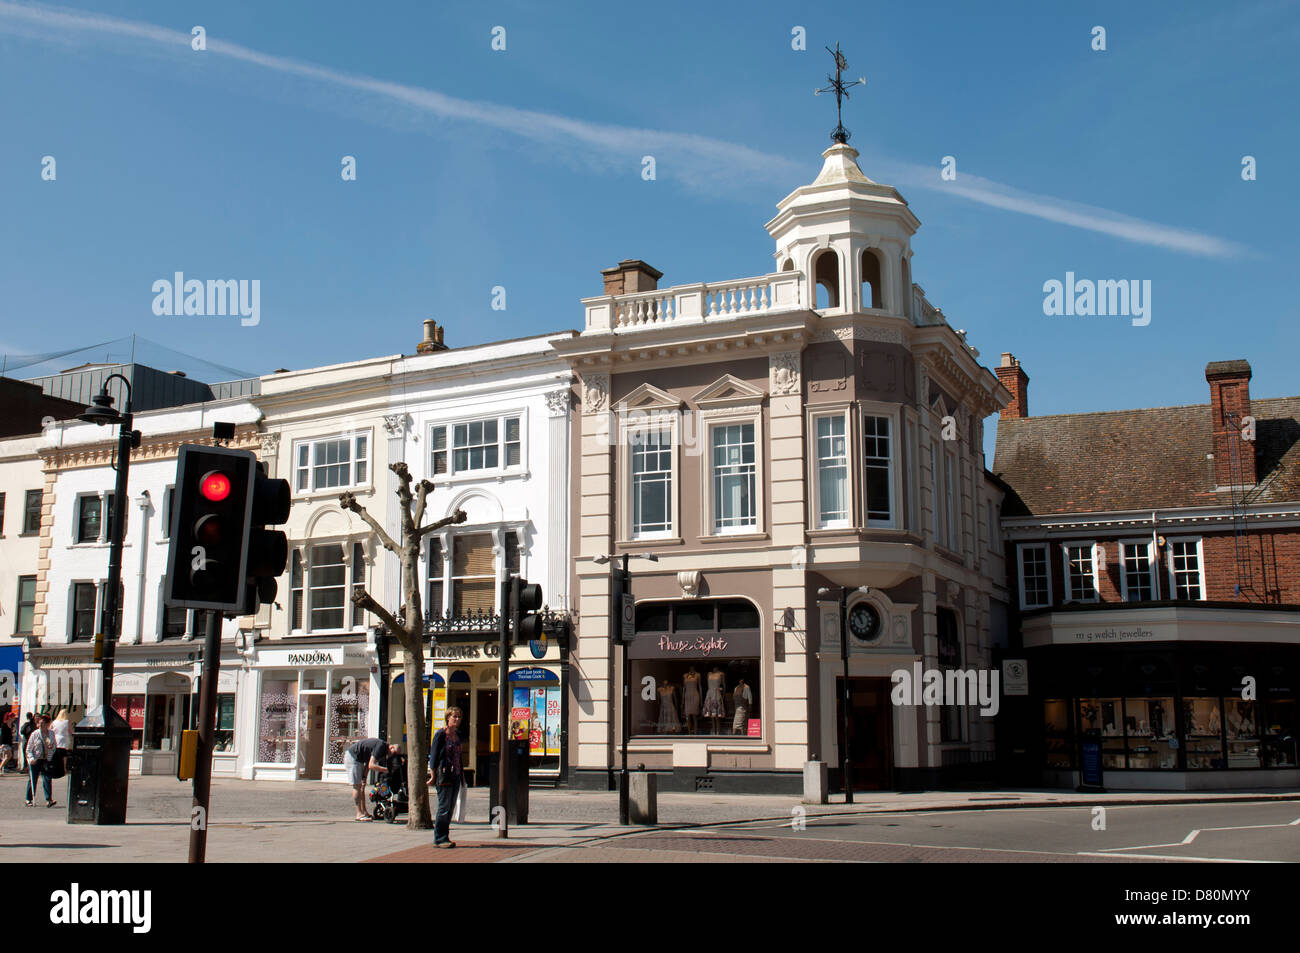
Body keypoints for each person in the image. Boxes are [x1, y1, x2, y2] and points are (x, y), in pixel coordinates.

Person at [427, 707, 464, 848]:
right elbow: (434, 755)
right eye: (454, 716)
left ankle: (445, 836)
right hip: (444, 774)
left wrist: (462, 776)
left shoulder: (458, 735)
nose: (457, 719)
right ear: (447, 718)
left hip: (456, 774)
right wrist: (433, 774)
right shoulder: (441, 735)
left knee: (451, 807)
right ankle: (439, 838)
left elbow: (459, 756)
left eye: (459, 716)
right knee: (444, 807)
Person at [344, 737, 399, 821]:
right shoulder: (381, 747)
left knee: (362, 786)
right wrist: (387, 770)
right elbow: (371, 765)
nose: (393, 756)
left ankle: (364, 812)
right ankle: (359, 814)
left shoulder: (383, 750)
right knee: (357, 786)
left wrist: (364, 777)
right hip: (353, 757)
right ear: (391, 747)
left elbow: (368, 763)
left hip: (360, 760)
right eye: (394, 753)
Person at [25, 714, 57, 808]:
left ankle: (49, 799)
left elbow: (54, 746)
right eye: (40, 723)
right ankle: (29, 799)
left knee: (47, 779)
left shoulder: (51, 733)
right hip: (36, 759)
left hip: (46, 759)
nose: (41, 725)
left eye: (43, 723)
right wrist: (31, 759)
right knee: (33, 779)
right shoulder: (35, 734)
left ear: (48, 724)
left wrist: (51, 748)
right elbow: (28, 749)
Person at [50, 709, 72, 779]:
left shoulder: (54, 722)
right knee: (64, 755)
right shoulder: (67, 722)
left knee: (56, 755)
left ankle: (55, 769)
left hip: (56, 738)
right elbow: (70, 731)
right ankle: (64, 769)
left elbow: (50, 729)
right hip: (64, 739)